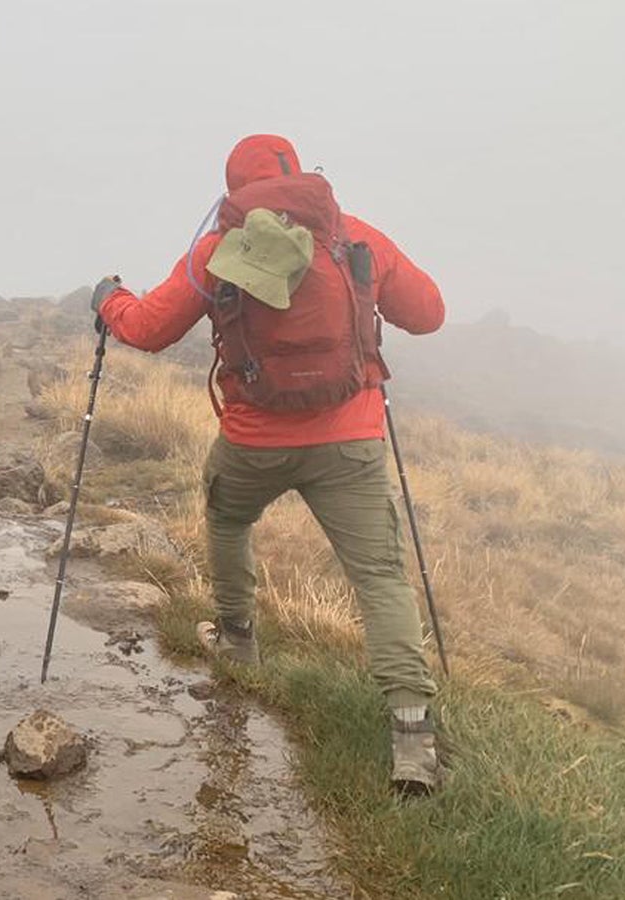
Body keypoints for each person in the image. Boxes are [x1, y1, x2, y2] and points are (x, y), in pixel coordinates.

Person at [93, 134, 446, 794]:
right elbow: (429, 314)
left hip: (254, 441)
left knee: (228, 520)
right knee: (378, 576)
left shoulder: (217, 251)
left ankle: (237, 641)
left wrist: (108, 298)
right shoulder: (357, 239)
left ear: (234, 190)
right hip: (350, 441)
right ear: (303, 176)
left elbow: (145, 328)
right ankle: (412, 733)